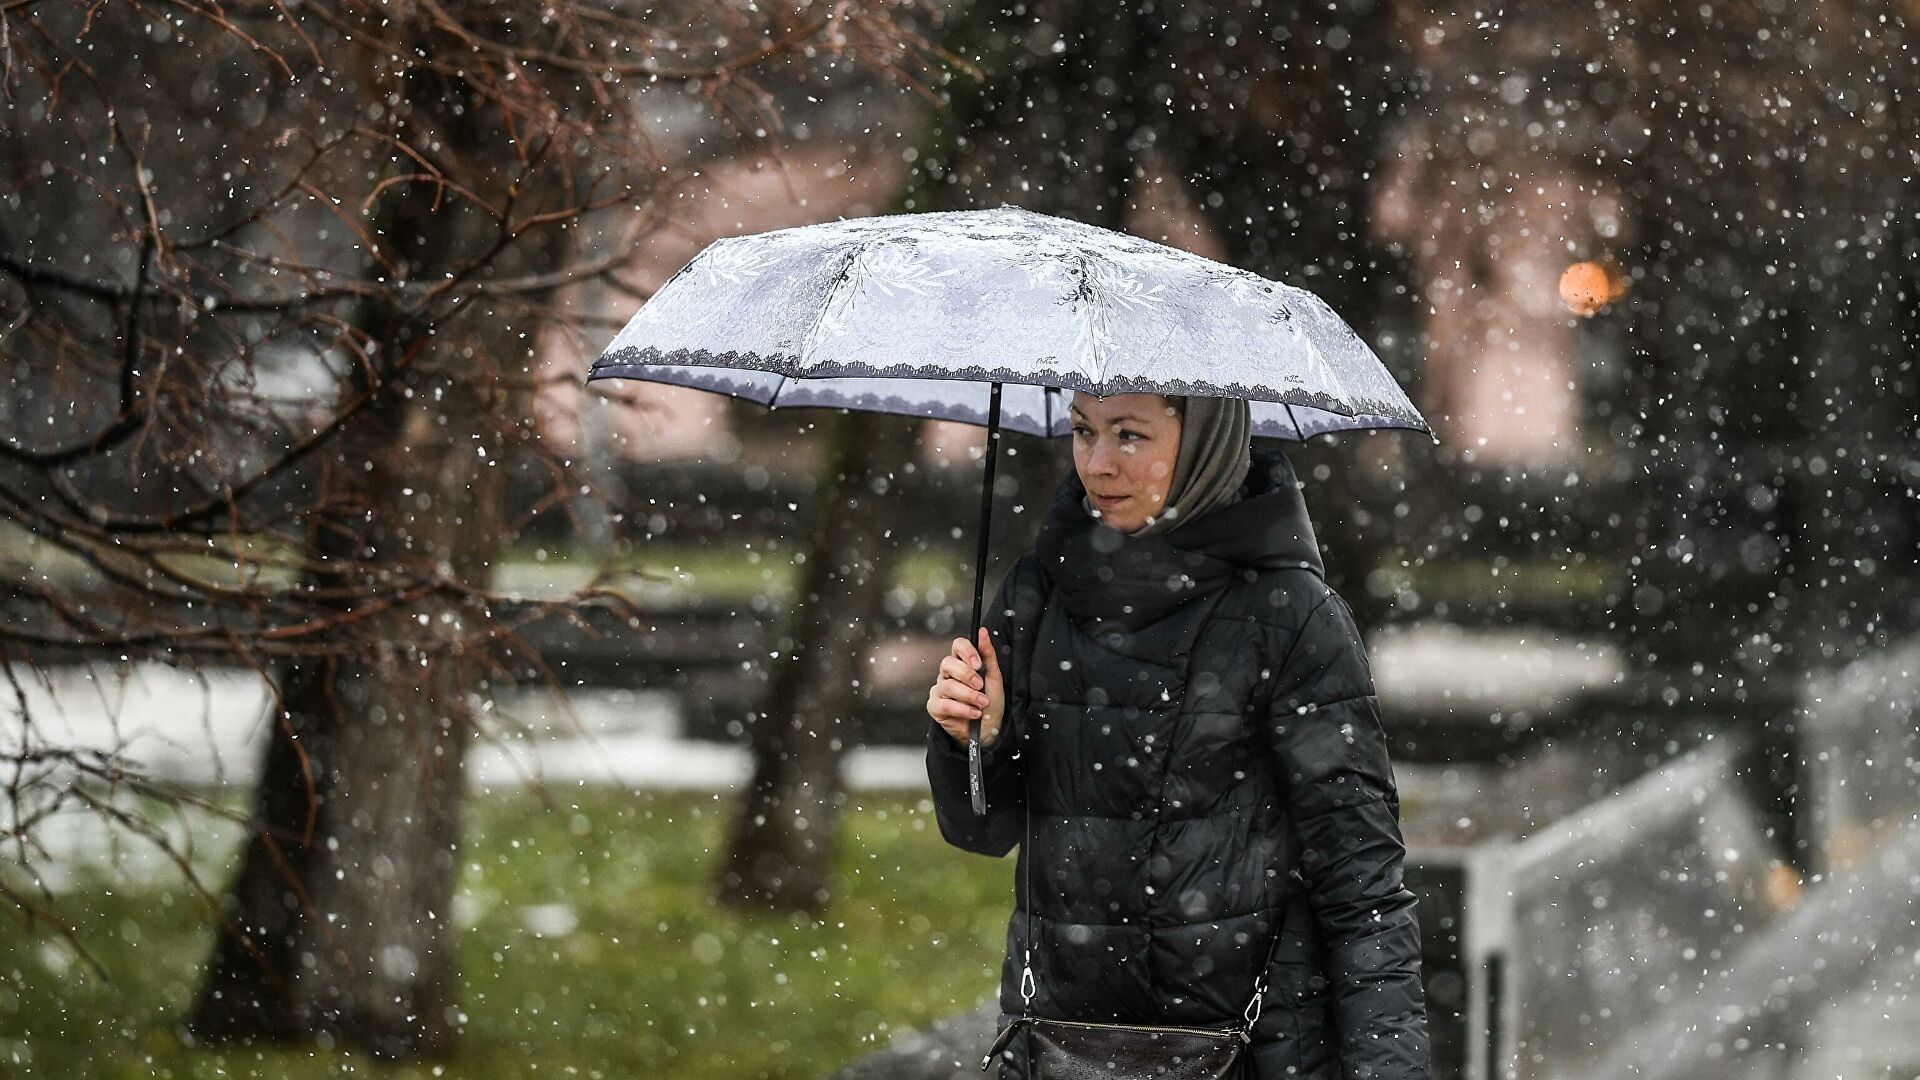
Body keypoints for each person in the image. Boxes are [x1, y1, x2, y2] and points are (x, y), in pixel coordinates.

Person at [925, 392, 1430, 1080]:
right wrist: (970, 742)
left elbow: (1362, 887)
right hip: (1060, 1049)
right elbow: (980, 831)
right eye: (1083, 430)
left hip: (1254, 1051)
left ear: (1206, 444)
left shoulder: (1289, 615)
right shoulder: (1039, 591)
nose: (1097, 463)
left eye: (1130, 435)